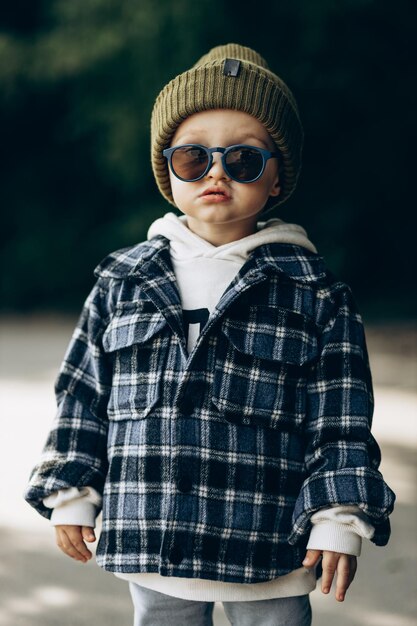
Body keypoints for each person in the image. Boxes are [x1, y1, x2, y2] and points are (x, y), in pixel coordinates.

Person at [24, 44, 395, 626]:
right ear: (168, 173)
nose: (217, 171)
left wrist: (338, 517)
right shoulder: (123, 280)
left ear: (277, 179)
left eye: (244, 159)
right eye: (194, 158)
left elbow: (341, 422)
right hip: (153, 534)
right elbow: (81, 395)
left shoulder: (316, 294)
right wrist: (71, 487)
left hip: (268, 543)